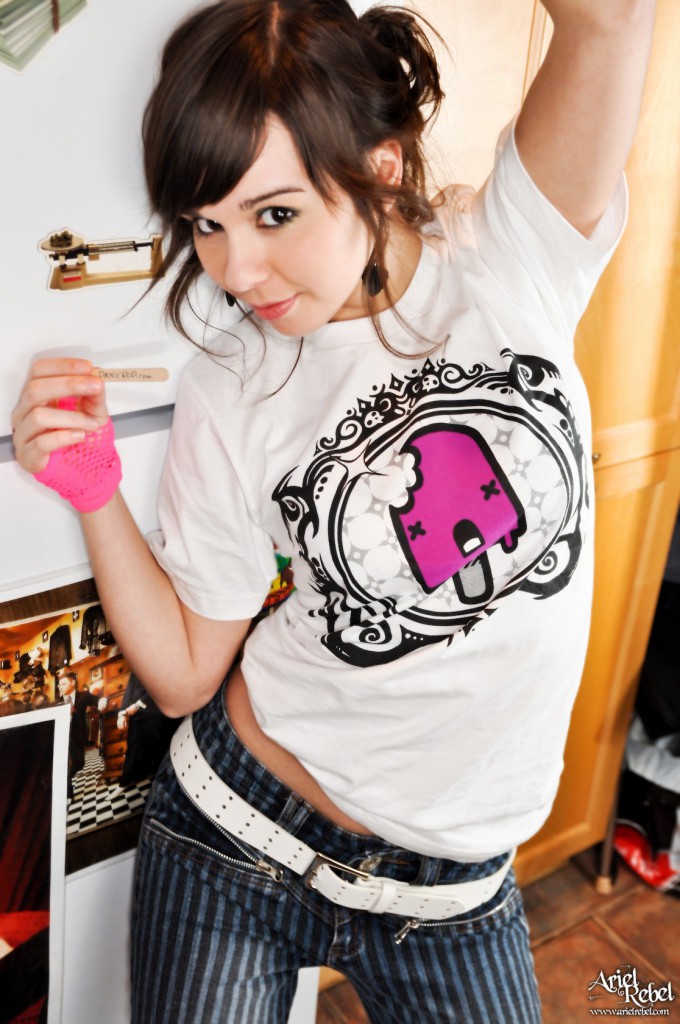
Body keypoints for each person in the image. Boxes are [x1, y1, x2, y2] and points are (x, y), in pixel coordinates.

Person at [11, 1, 656, 1020]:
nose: (236, 271)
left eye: (274, 215)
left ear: (380, 167)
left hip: (452, 898)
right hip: (235, 842)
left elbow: (610, 22)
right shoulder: (233, 382)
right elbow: (184, 674)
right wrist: (91, 485)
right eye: (206, 224)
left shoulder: (510, 254)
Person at [57, 671, 107, 798]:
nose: (60, 687)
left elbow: (97, 699)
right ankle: (66, 788)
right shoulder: (58, 702)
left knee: (79, 763)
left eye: (63, 684)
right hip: (62, 736)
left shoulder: (83, 696)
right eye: (59, 685)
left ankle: (65, 782)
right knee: (66, 763)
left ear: (73, 683)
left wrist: (102, 700)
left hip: (77, 735)